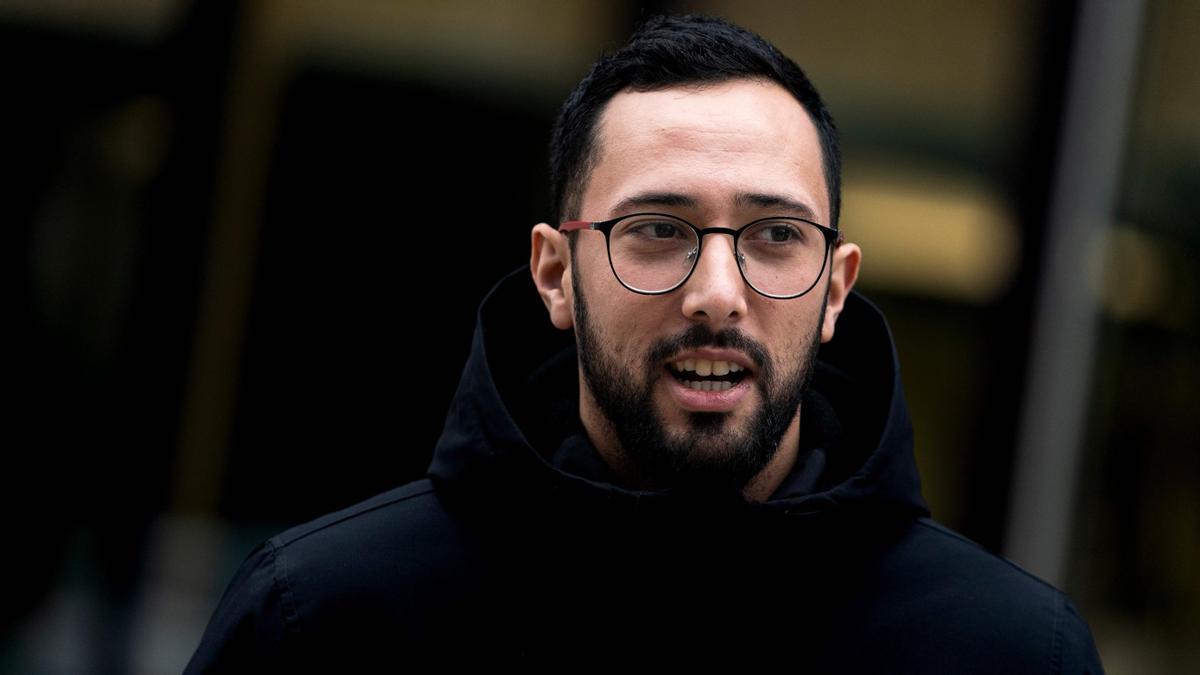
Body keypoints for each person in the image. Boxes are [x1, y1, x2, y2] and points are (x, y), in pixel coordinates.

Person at [185, 15, 1104, 672]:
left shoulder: (1011, 650)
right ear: (555, 273)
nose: (716, 295)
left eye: (776, 236)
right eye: (658, 229)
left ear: (836, 289)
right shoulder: (325, 621)